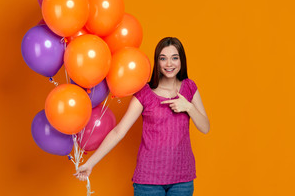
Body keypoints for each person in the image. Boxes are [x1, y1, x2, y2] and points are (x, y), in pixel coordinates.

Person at [75, 37, 210, 196]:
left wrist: (188, 107)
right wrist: (90, 163)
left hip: (182, 179)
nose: (169, 64)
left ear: (181, 60)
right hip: (149, 181)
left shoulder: (189, 87)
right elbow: (119, 131)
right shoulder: (145, 93)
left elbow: (205, 127)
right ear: (157, 62)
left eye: (174, 58)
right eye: (163, 58)